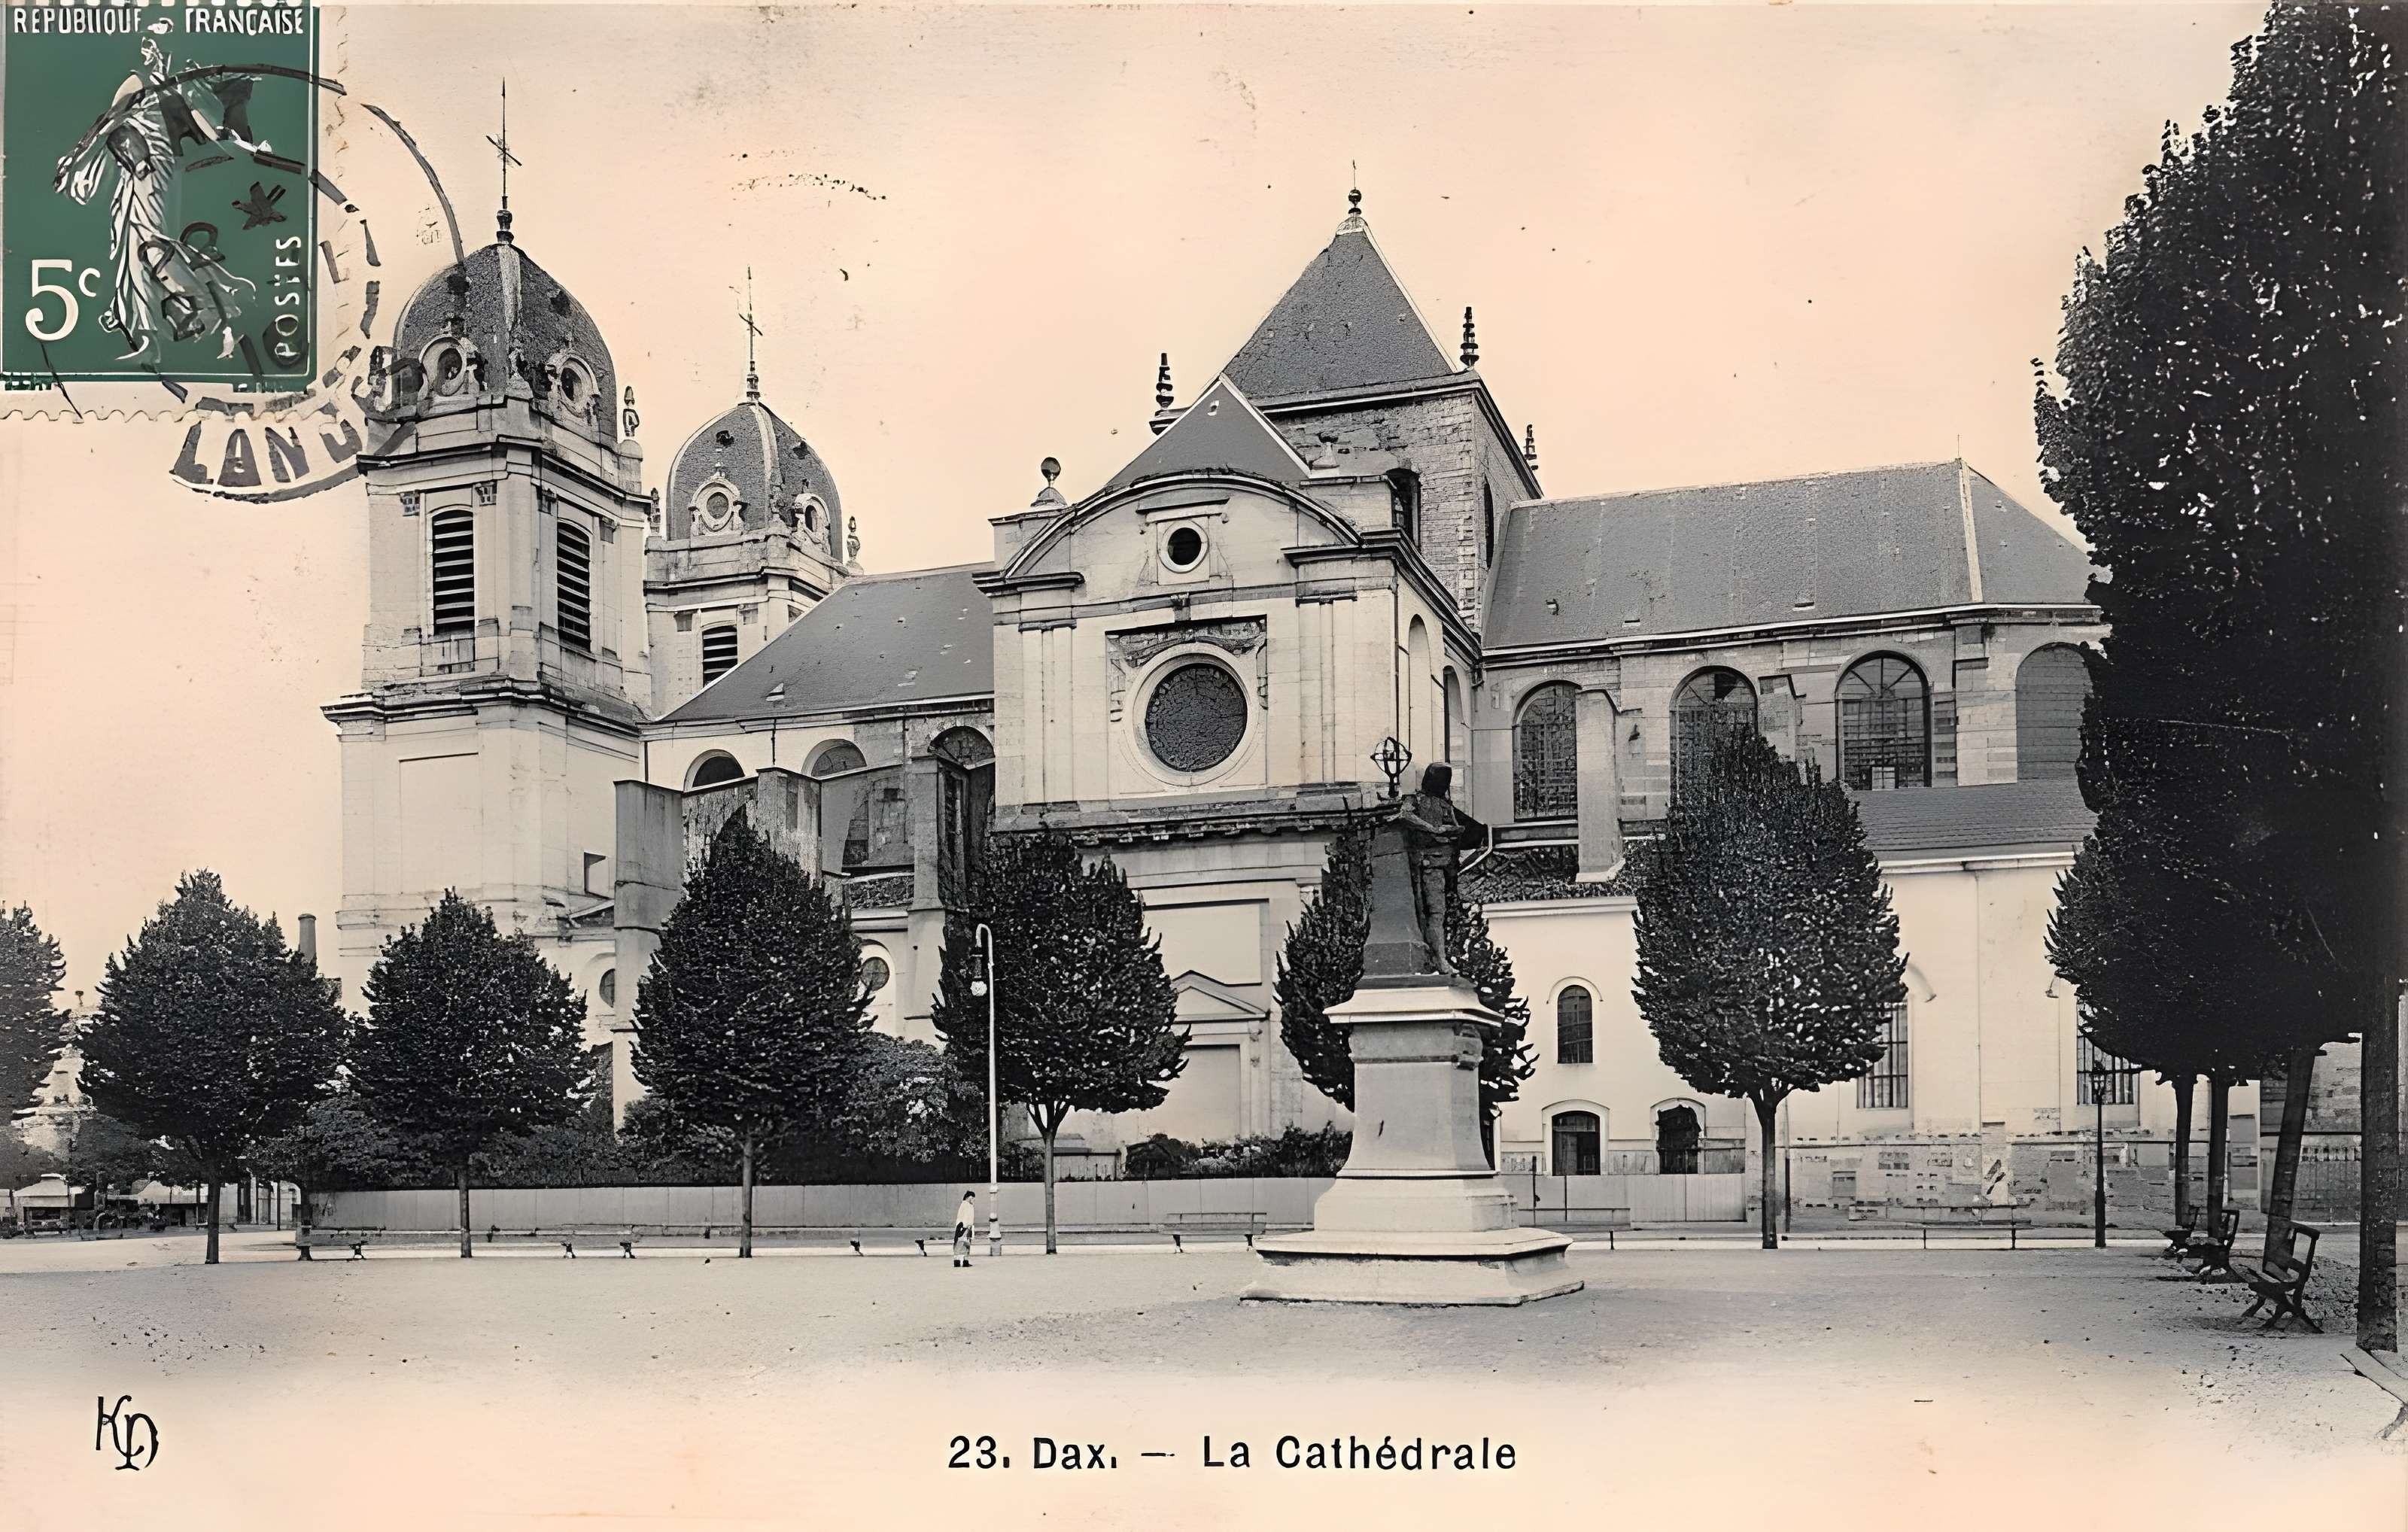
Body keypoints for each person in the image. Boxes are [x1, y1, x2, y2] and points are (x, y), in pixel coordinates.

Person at [953, 1189, 977, 1269]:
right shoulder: (965, 1205)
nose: (973, 1200)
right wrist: (965, 1227)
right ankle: (958, 1261)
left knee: (966, 1244)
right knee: (961, 1243)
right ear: (969, 1197)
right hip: (964, 1227)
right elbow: (964, 1218)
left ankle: (963, 1260)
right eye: (973, 1198)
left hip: (967, 1227)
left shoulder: (968, 1205)